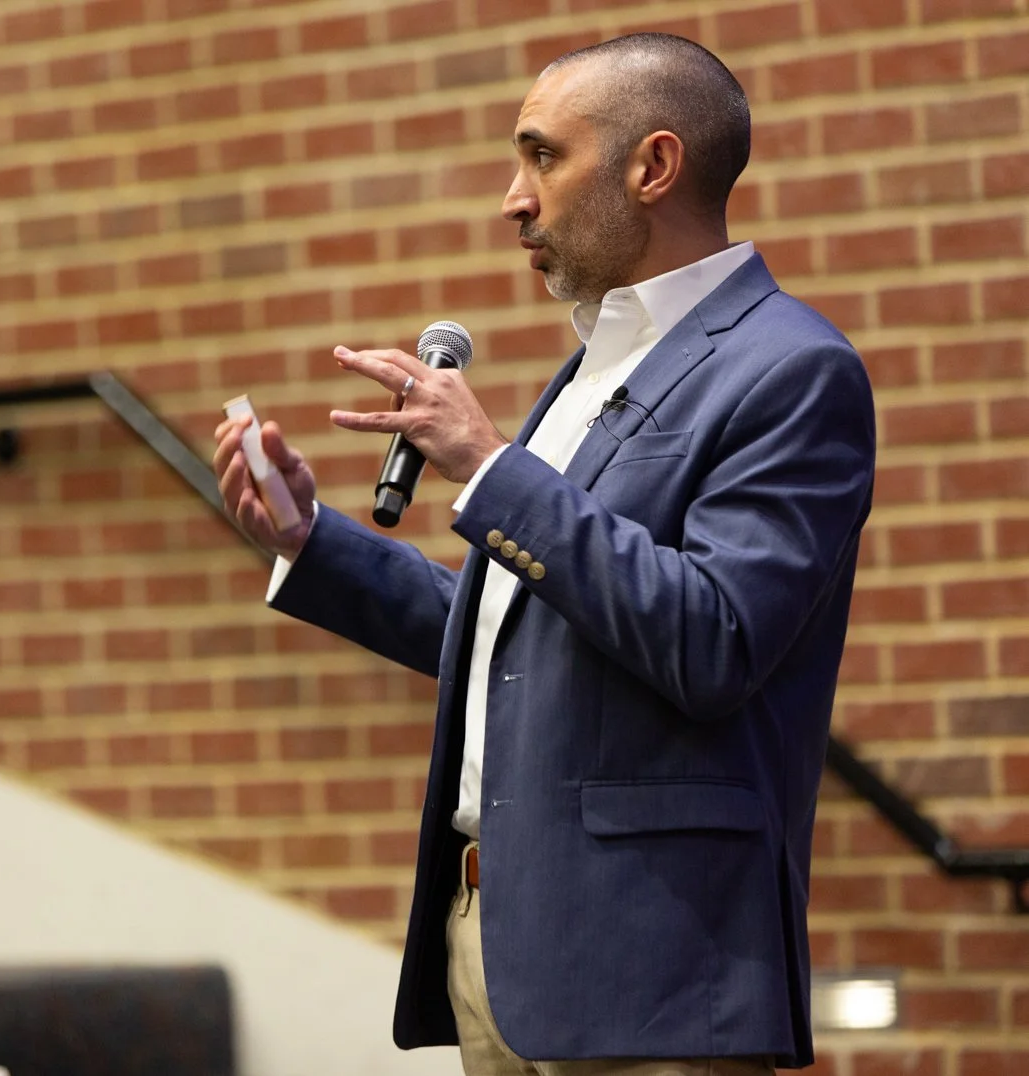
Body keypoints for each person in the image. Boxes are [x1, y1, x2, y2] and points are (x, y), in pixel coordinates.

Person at [214, 33, 874, 1076]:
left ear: (653, 166)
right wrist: (309, 539)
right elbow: (514, 635)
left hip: (654, 970)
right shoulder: (592, 368)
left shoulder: (791, 370)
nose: (512, 200)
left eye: (543, 157)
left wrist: (489, 466)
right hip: (496, 945)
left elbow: (713, 639)